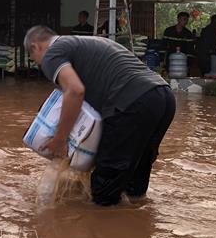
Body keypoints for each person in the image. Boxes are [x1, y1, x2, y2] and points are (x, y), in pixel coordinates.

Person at [24, 25, 176, 206]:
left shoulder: (52, 54)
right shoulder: (84, 43)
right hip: (163, 98)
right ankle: (139, 226)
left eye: (34, 60)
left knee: (104, 188)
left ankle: (103, 227)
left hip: (132, 103)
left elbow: (75, 91)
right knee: (135, 181)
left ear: (35, 47)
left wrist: (60, 139)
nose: (40, 65)